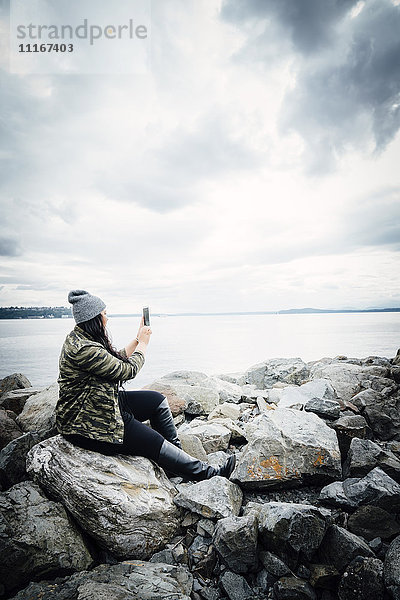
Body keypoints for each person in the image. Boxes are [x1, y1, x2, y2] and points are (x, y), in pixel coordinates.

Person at [56, 289, 236, 481]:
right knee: (153, 441)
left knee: (156, 401)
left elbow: (113, 360)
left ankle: (176, 463)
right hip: (89, 424)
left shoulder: (82, 337)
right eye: (104, 314)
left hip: (101, 404)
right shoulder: (84, 348)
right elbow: (126, 371)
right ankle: (208, 474)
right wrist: (143, 344)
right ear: (94, 318)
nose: (107, 319)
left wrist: (136, 339)